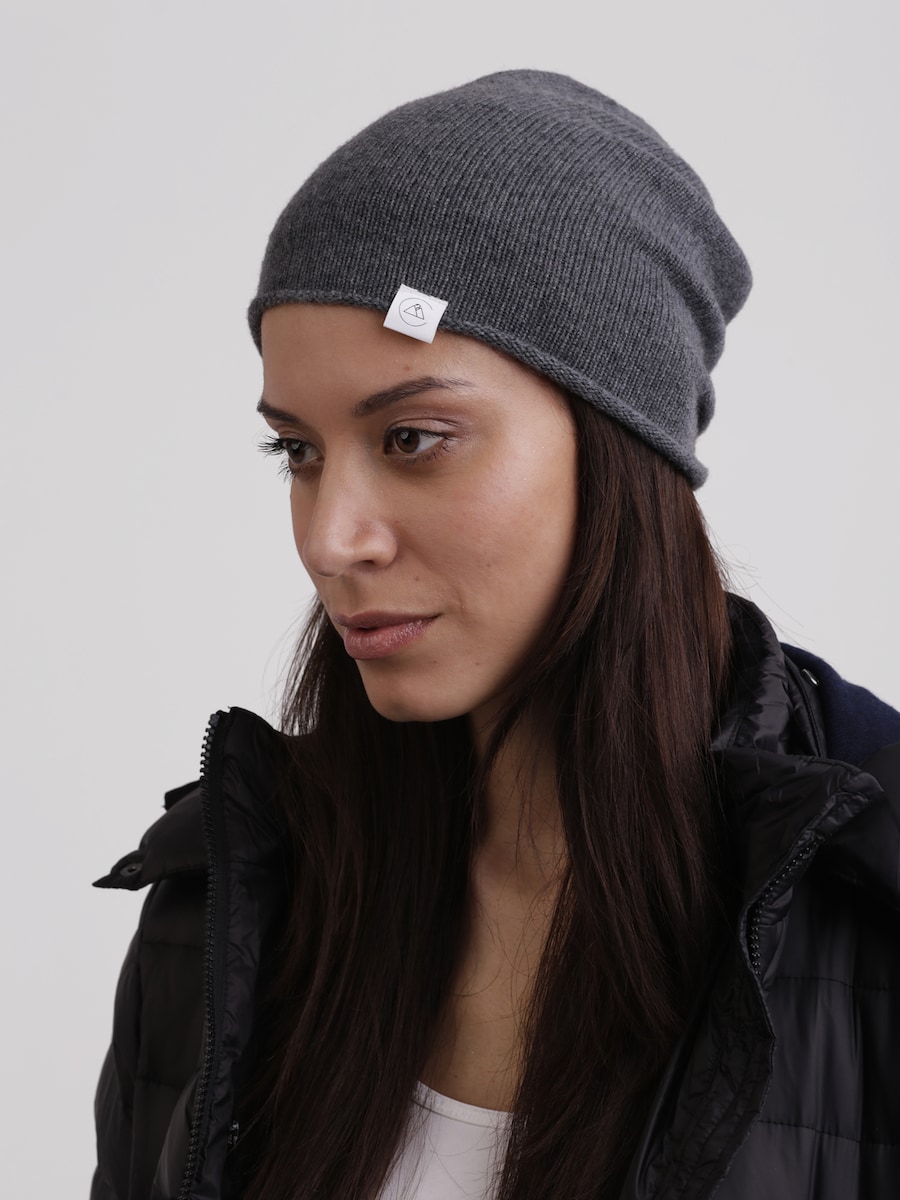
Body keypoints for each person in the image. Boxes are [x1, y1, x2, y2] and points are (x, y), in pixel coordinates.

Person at [91, 70, 900, 1200]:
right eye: (299, 451)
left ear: (621, 447)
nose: (330, 539)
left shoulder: (868, 897)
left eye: (414, 438)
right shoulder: (229, 897)